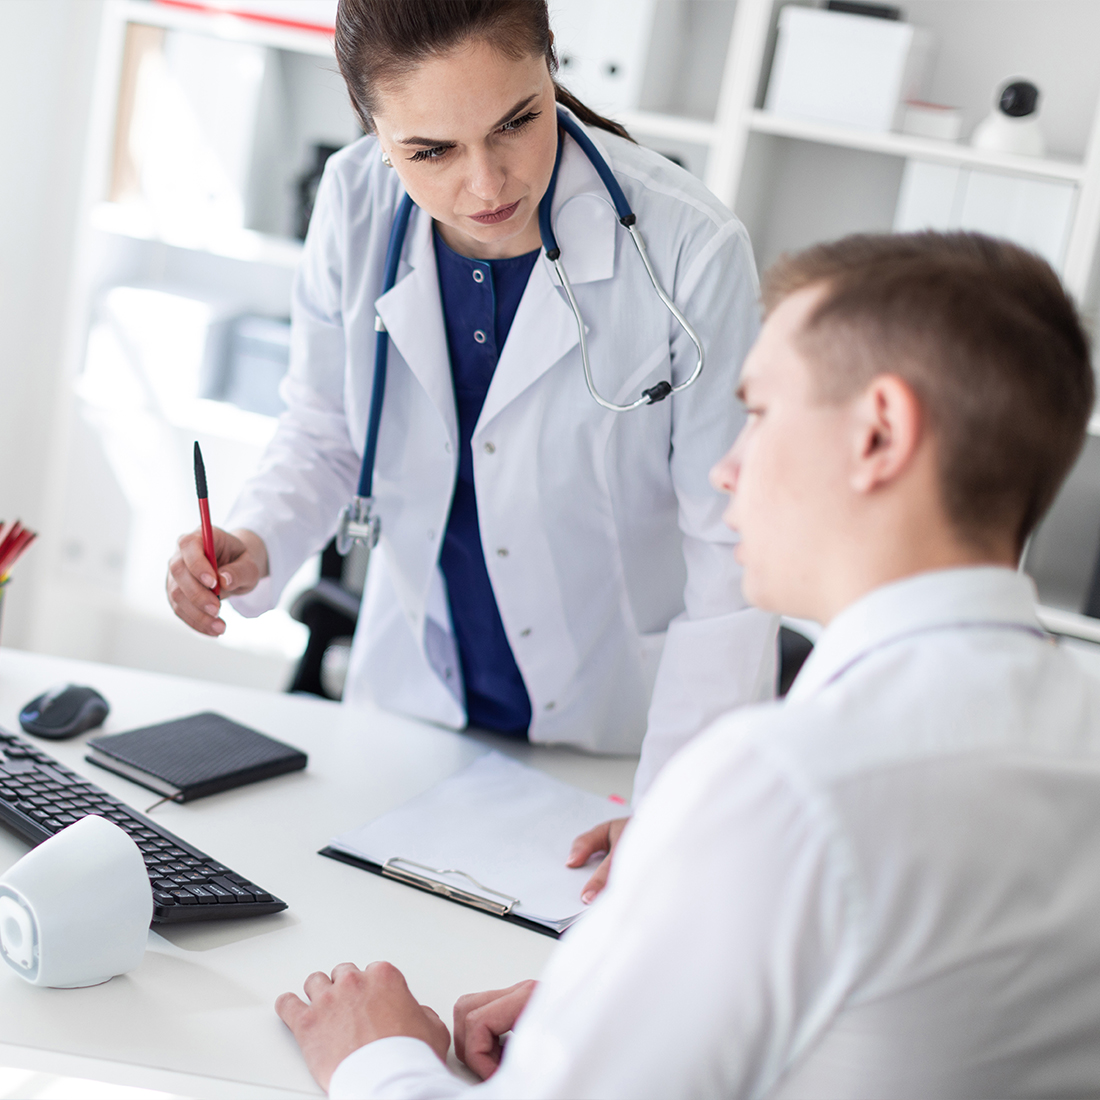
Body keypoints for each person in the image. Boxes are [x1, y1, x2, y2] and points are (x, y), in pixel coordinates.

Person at [275, 230, 1100, 1099]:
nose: (726, 467)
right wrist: (629, 1005)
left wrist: (375, 1053)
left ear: (879, 435)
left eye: (762, 412)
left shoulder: (786, 788)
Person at [165, 0, 777, 884]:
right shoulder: (353, 201)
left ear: (551, 71)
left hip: (616, 739)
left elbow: (730, 546)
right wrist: (257, 540)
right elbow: (326, 426)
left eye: (517, 122)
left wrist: (677, 805)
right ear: (373, 131)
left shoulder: (689, 247)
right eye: (431, 152)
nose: (487, 184)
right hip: (412, 713)